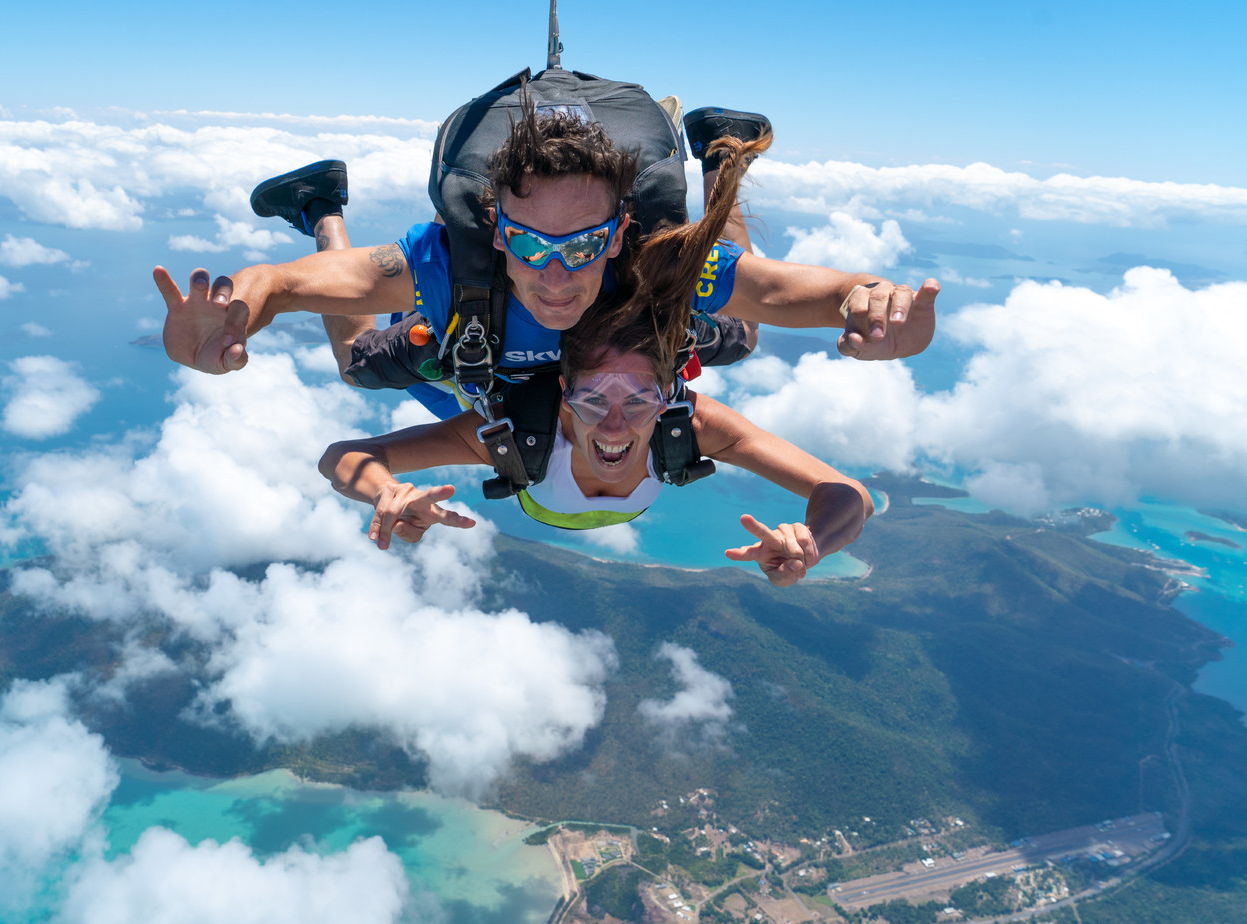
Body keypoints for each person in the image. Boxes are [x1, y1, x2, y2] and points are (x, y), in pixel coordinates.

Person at [317, 137, 874, 585]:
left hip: (511, 385)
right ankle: (326, 210)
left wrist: (382, 489)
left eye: (637, 398)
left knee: (359, 366)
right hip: (574, 354)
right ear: (565, 395)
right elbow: (849, 496)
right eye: (593, 398)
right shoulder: (683, 427)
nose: (613, 424)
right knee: (740, 333)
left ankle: (723, 153)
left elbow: (344, 458)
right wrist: (815, 541)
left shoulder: (512, 434)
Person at [151, 93, 939, 389]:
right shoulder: (449, 259)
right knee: (361, 364)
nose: (555, 275)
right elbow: (285, 283)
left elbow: (807, 291)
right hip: (492, 340)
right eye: (530, 246)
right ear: (495, 232)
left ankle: (721, 157)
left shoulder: (655, 264)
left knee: (736, 320)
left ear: (621, 233)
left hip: (650, 290)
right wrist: (241, 308)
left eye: (583, 245)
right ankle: (322, 205)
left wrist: (871, 303)